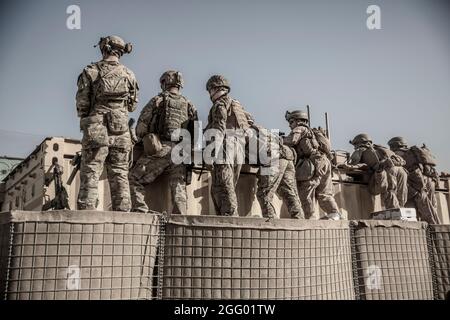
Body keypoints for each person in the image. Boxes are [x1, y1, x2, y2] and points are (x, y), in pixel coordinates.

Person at [76, 36, 138, 211]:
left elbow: (82, 104)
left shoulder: (91, 70)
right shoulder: (129, 74)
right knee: (120, 173)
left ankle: (87, 217)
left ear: (104, 48)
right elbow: (133, 105)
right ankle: (124, 217)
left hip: (96, 129)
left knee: (91, 172)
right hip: (121, 130)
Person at [129, 70, 197, 214]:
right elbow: (196, 133)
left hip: (162, 148)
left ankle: (140, 210)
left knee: (133, 178)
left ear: (164, 82)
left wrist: (144, 140)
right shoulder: (189, 104)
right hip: (182, 153)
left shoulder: (158, 100)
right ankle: (180, 220)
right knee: (178, 186)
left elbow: (141, 127)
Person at [204, 75, 253, 216]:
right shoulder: (237, 104)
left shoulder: (219, 104)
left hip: (225, 147)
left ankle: (230, 216)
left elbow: (218, 129)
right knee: (229, 184)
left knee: (223, 186)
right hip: (240, 147)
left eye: (210, 91)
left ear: (214, 89)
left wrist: (211, 153)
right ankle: (228, 213)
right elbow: (250, 122)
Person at [283, 110, 341, 220]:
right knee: (325, 193)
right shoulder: (313, 132)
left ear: (298, 121)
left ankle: (310, 218)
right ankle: (334, 214)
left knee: (306, 192)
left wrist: (277, 140)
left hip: (313, 163)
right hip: (324, 161)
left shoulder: (300, 128)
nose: (290, 125)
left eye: (291, 122)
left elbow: (292, 140)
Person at [341, 134, 408, 210]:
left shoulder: (360, 150)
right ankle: (403, 211)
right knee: (401, 192)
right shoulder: (380, 148)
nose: (354, 147)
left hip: (387, 170)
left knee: (388, 190)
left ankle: (395, 212)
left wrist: (348, 166)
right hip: (401, 170)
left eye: (355, 144)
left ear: (358, 143)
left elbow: (353, 164)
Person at [388, 136, 441, 224]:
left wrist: (415, 190)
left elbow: (414, 174)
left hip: (418, 189)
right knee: (431, 212)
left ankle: (436, 234)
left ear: (394, 145)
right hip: (428, 185)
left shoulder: (402, 155)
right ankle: (435, 233)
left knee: (426, 216)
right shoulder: (415, 154)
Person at [254, 126, 304, 219]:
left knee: (264, 192)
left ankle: (270, 218)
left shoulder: (246, 132)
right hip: (287, 156)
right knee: (288, 191)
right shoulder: (261, 130)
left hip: (273, 157)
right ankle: (299, 218)